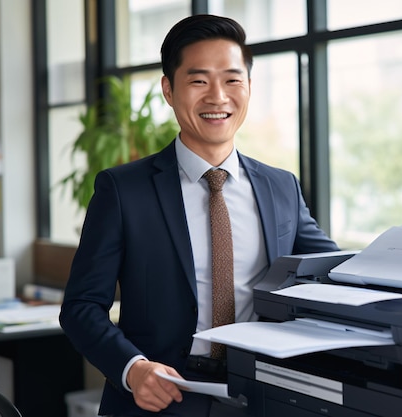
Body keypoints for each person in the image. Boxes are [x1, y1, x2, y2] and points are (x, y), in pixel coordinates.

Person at [59, 14, 339, 417]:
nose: (217, 97)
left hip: (260, 396)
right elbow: (81, 306)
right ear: (169, 90)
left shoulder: (281, 187)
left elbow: (332, 272)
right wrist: (134, 370)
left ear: (248, 87)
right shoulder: (123, 190)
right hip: (159, 396)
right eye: (198, 81)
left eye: (231, 79)